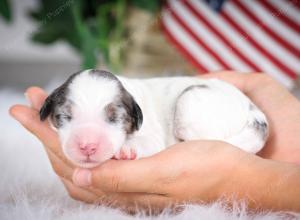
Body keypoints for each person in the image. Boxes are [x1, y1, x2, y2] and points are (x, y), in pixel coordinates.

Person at [9, 71, 300, 212]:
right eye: (66, 117)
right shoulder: (125, 104)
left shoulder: (141, 109)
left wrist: (244, 178)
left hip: (226, 112)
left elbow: (153, 148)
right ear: (49, 111)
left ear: (134, 118)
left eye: (112, 118)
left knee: (189, 111)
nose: (86, 142)